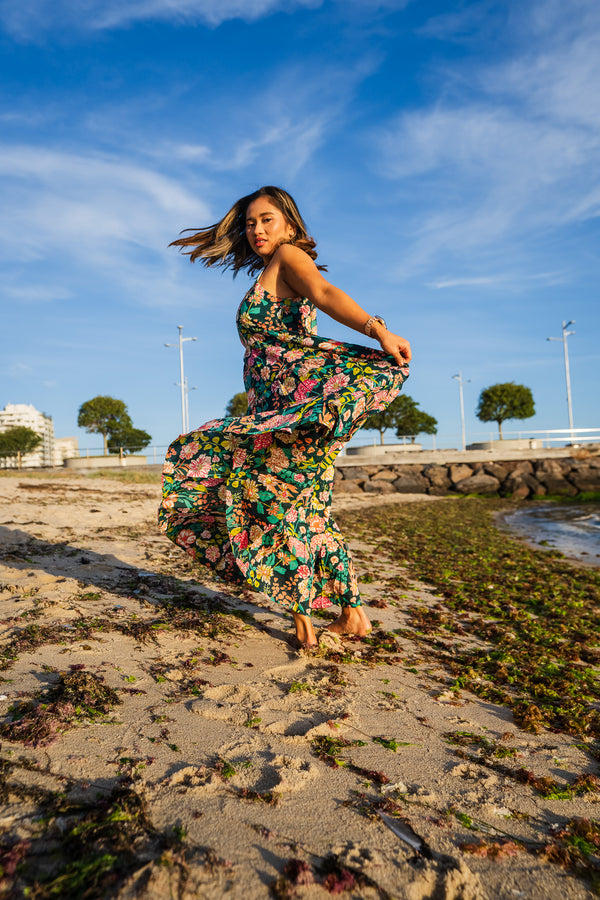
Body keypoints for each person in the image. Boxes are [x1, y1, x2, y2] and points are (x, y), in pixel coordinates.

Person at [158, 186, 411, 648]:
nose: (257, 230)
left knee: (275, 504)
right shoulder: (279, 267)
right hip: (278, 412)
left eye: (267, 220)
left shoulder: (291, 257)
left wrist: (379, 331)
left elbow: (325, 291)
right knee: (310, 509)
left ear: (291, 225)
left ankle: (305, 625)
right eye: (251, 223)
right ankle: (352, 614)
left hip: (289, 419)